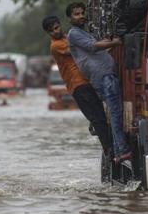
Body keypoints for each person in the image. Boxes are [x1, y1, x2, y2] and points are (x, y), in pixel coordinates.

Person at [66, 2, 131, 163]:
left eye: (82, 13)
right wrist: (115, 43)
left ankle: (118, 150)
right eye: (76, 14)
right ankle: (122, 150)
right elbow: (94, 47)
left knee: (116, 114)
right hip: (104, 78)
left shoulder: (82, 32)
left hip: (106, 76)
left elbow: (96, 50)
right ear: (69, 18)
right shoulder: (74, 34)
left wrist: (109, 45)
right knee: (116, 115)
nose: (81, 16)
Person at [42, 16, 113, 155]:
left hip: (87, 81)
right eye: (52, 31)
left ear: (60, 25)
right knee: (98, 117)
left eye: (57, 27)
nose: (56, 31)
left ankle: (108, 145)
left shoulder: (66, 38)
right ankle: (109, 149)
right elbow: (80, 49)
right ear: (48, 33)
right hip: (78, 84)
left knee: (100, 115)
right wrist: (107, 43)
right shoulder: (56, 46)